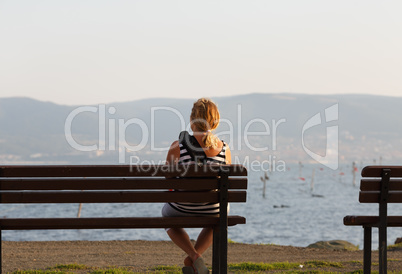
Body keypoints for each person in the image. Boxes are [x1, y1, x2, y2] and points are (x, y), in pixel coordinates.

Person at [162, 98, 232, 274]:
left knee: (165, 214)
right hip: (213, 209)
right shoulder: (224, 149)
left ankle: (193, 256)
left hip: (182, 207)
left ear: (193, 119)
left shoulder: (178, 146)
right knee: (219, 216)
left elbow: (168, 178)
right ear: (215, 121)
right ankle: (194, 257)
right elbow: (227, 183)